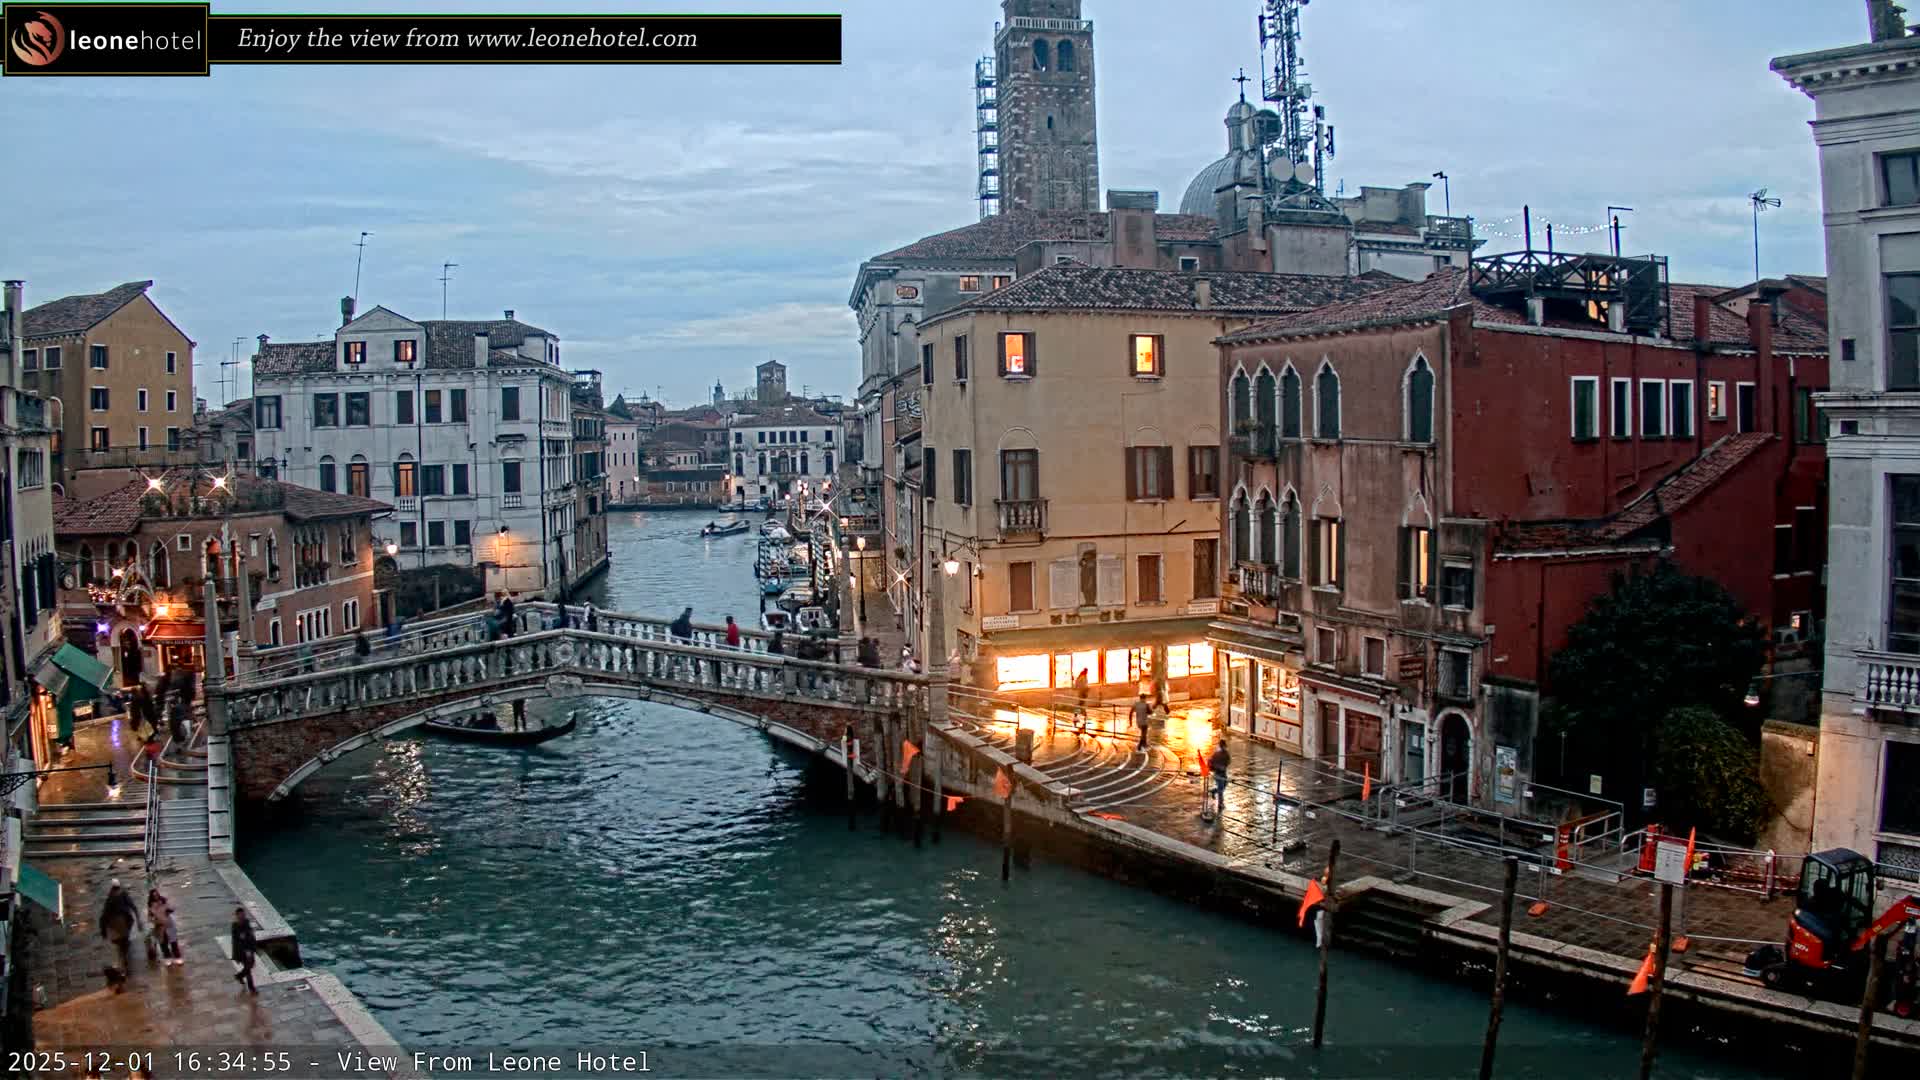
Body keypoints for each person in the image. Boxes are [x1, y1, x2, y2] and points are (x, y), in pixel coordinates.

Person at [99, 879, 140, 986]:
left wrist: (103, 930)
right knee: (123, 947)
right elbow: (132, 906)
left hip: (116, 926)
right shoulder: (123, 895)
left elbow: (104, 915)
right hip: (123, 924)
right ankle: (123, 967)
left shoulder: (110, 898)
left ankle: (122, 968)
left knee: (121, 948)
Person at [147, 888, 181, 967]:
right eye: (154, 895)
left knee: (173, 942)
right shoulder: (150, 906)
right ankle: (167, 958)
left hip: (169, 924)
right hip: (159, 927)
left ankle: (177, 957)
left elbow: (172, 908)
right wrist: (154, 920)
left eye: (156, 895)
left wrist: (170, 909)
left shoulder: (164, 901)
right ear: (151, 897)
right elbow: (149, 918)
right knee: (163, 943)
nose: (156, 896)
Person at [230, 907, 258, 995]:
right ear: (237, 916)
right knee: (248, 969)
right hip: (241, 951)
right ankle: (252, 989)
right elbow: (238, 940)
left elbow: (249, 935)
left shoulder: (246, 922)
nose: (242, 916)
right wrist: (246, 951)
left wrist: (252, 948)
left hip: (249, 948)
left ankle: (239, 976)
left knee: (250, 966)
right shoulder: (235, 926)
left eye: (243, 914)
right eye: (240, 915)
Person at [1207, 739, 1232, 818]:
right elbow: (1211, 761)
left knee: (1224, 786)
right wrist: (1218, 767)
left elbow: (1228, 761)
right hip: (1218, 774)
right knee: (1221, 789)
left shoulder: (1226, 754)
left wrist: (1224, 766)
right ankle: (1220, 804)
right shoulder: (1216, 754)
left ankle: (1213, 791)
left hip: (1223, 773)